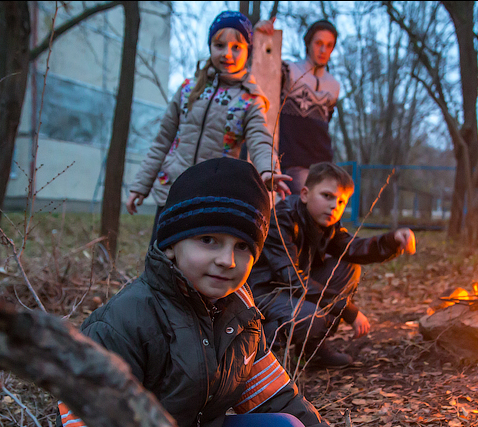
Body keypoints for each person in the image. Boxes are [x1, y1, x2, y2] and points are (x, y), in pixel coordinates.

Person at [56, 158, 368, 427]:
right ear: (170, 243)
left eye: (243, 247)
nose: (227, 260)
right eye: (209, 240)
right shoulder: (120, 325)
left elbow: (278, 398)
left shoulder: (238, 313)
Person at [126, 10, 290, 246]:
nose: (227, 53)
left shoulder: (249, 99)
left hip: (210, 195)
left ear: (248, 51)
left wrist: (268, 170)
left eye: (237, 47)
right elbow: (162, 141)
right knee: (161, 257)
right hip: (172, 191)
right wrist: (140, 186)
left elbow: (260, 138)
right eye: (219, 45)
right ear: (210, 46)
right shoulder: (188, 89)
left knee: (197, 264)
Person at [248, 162, 416, 369]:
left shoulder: (325, 224)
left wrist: (392, 241)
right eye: (327, 196)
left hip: (291, 288)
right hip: (264, 293)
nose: (334, 206)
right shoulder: (281, 219)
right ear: (305, 194)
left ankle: (314, 351)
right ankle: (257, 356)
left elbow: (353, 248)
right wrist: (348, 310)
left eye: (341, 201)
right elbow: (292, 279)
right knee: (311, 317)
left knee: (348, 267)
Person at [255, 17, 340, 194]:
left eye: (329, 45)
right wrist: (259, 35)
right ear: (308, 43)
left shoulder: (334, 86)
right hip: (292, 160)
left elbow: (326, 123)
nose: (323, 50)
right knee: (297, 210)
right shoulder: (289, 71)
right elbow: (258, 70)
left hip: (322, 163)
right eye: (318, 43)